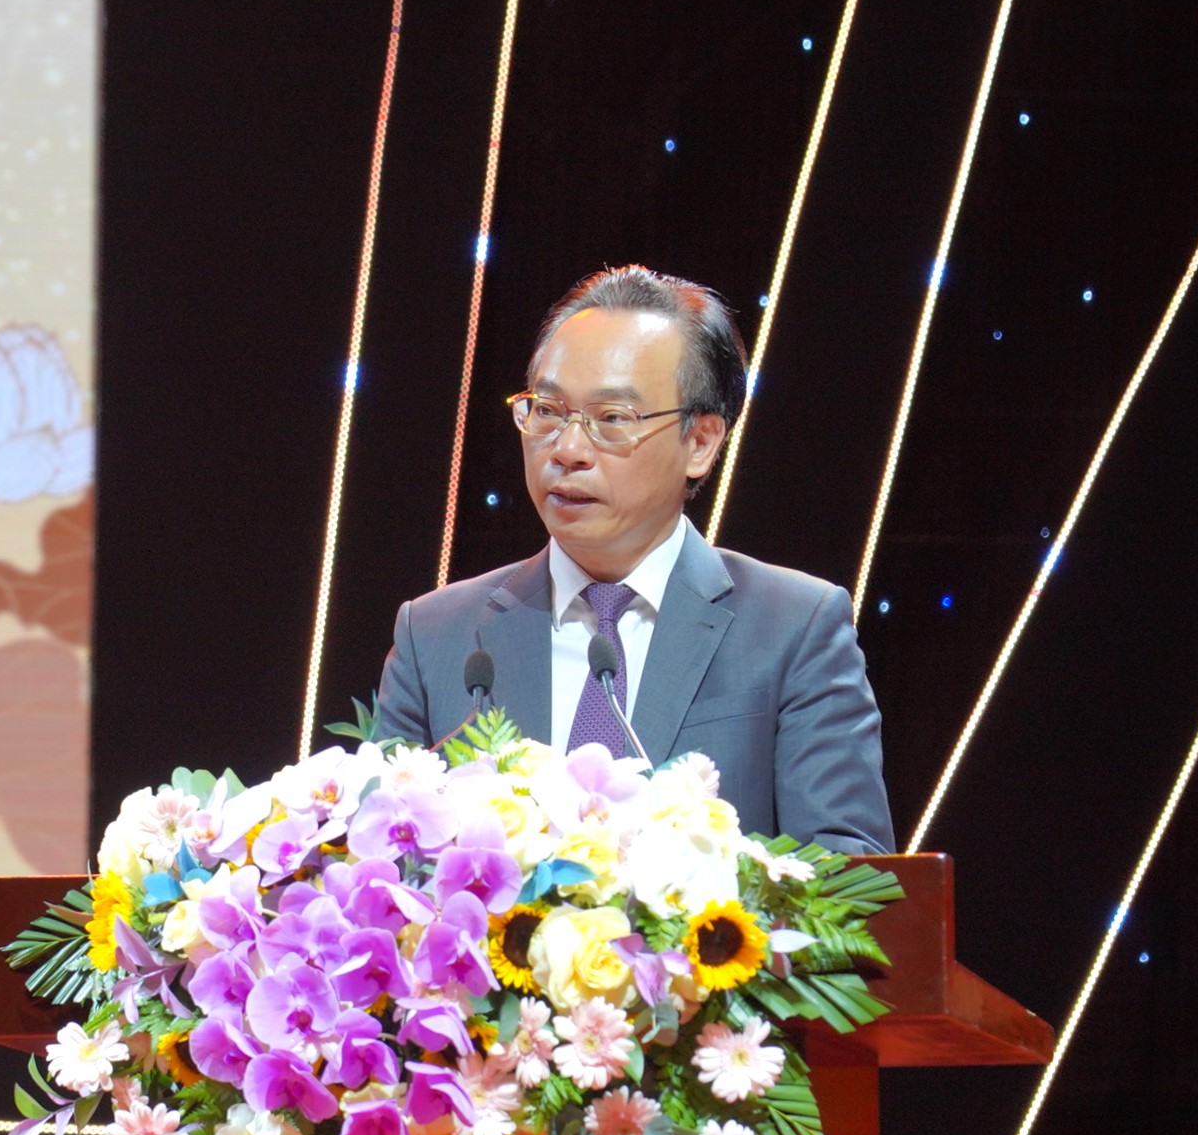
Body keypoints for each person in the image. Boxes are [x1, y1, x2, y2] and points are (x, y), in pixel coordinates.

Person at [375, 264, 895, 853]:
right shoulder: (436, 636)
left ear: (700, 442)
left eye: (613, 419)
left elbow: (850, 879)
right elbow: (380, 868)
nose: (568, 449)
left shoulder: (794, 628)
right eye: (547, 410)